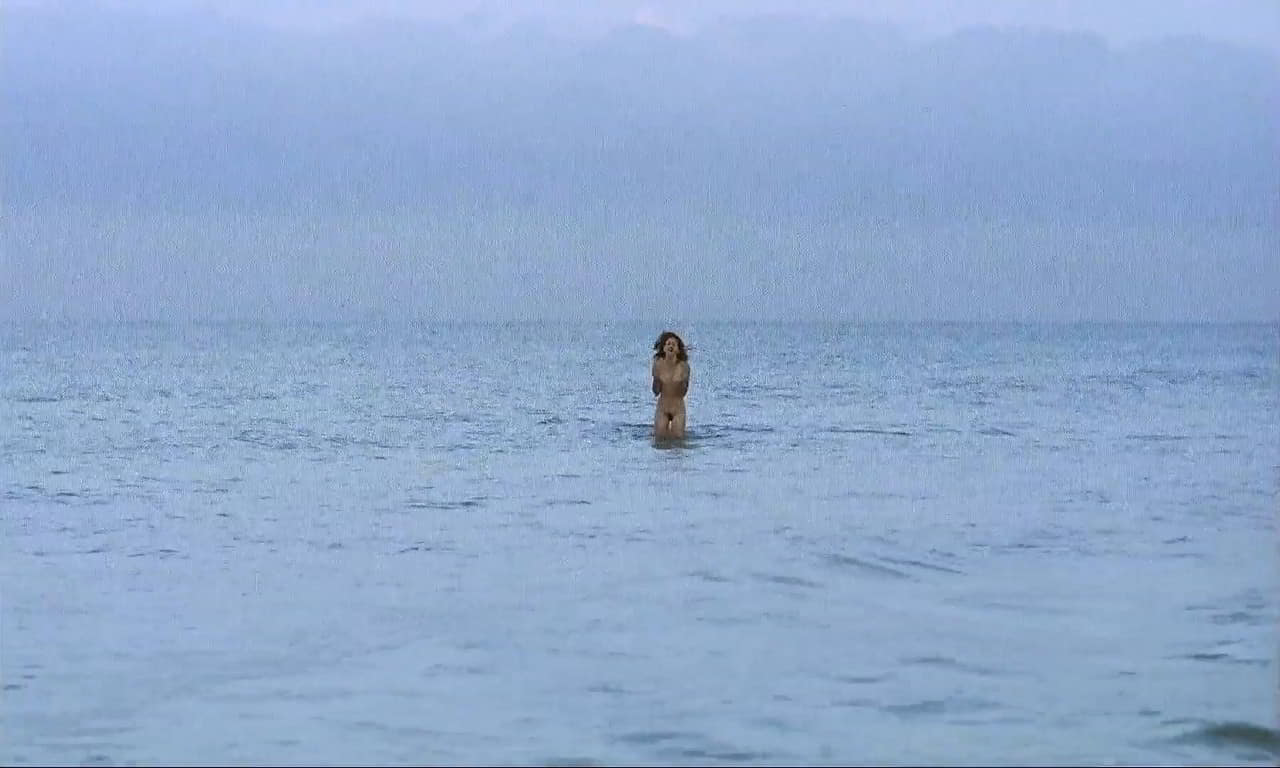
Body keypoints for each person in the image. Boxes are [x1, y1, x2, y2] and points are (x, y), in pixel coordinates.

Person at [651, 331, 690, 439]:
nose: (671, 346)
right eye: (668, 344)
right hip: (663, 408)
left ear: (678, 350)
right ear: (664, 348)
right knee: (659, 439)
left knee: (678, 439)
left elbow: (684, 393)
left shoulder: (683, 367)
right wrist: (657, 380)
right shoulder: (658, 364)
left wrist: (683, 383)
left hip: (678, 409)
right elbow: (655, 392)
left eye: (674, 344)